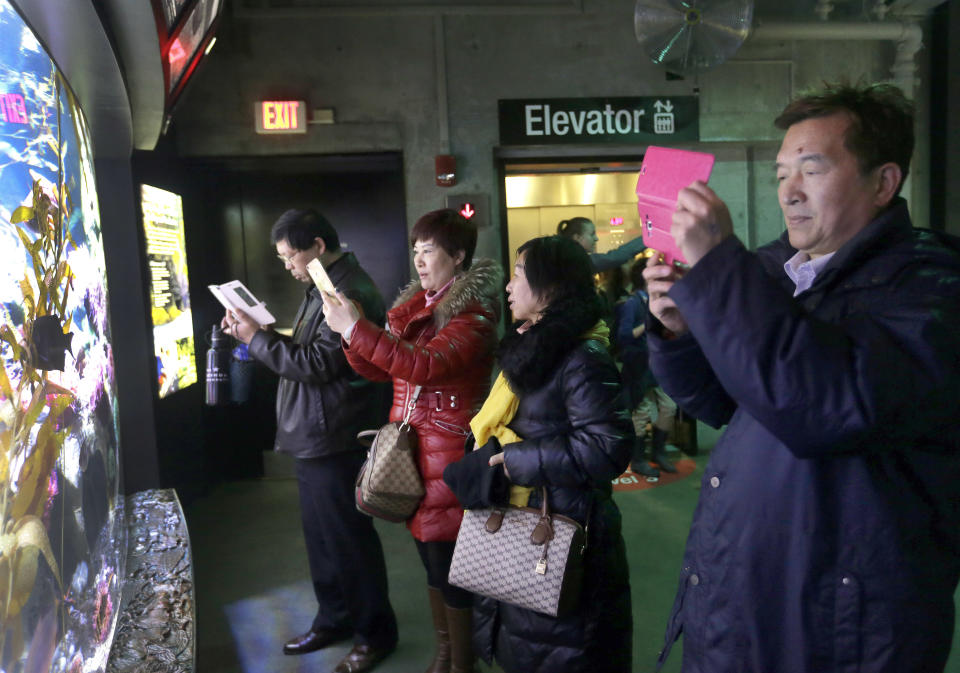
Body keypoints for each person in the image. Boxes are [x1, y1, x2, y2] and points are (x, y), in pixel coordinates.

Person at [643, 82, 960, 672]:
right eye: (782, 174)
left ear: (883, 182)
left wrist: (718, 272)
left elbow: (828, 405)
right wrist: (682, 333)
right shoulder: (772, 270)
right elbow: (723, 400)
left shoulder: (932, 289)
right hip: (744, 591)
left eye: (811, 170)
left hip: (845, 627)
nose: (789, 192)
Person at [443, 235, 634, 673]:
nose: (509, 287)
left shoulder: (581, 356)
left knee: (565, 653)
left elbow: (609, 449)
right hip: (526, 524)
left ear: (551, 286)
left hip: (566, 536)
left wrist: (519, 460)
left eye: (518, 275)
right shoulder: (532, 347)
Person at [322, 208, 502, 673]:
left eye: (430, 251)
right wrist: (353, 333)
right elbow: (380, 368)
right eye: (416, 251)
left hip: (451, 453)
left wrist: (357, 329)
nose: (419, 261)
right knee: (430, 557)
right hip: (415, 449)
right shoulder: (415, 309)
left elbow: (424, 366)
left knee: (450, 566)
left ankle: (462, 664)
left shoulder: (475, 313)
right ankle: (445, 654)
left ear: (458, 256)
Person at [221, 208, 398, 673]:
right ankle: (336, 619)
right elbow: (308, 352)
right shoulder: (322, 282)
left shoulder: (348, 290)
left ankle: (374, 634)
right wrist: (254, 333)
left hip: (334, 435)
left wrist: (256, 339)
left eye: (290, 255)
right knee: (323, 540)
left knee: (348, 541)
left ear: (317, 245)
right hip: (317, 434)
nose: (288, 265)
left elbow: (320, 365)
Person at [615, 260, 677, 476]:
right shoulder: (633, 304)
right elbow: (622, 337)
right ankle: (639, 457)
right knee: (640, 412)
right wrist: (648, 323)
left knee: (669, 406)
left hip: (659, 364)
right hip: (640, 366)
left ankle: (658, 453)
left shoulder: (658, 300)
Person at [557, 216, 647, 272]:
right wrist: (649, 237)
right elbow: (617, 256)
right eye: (592, 234)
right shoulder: (580, 263)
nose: (596, 238)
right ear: (577, 238)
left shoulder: (562, 262)